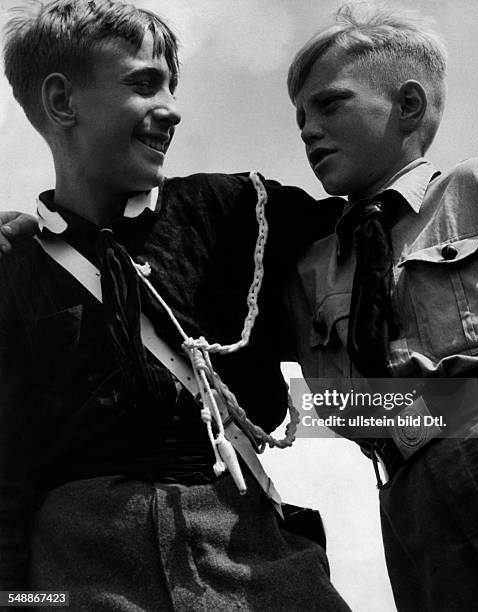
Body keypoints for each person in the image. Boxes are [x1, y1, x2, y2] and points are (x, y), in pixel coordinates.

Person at [0, 1, 352, 610]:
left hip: (259, 567)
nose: (172, 109)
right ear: (61, 103)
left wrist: (442, 429)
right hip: (83, 577)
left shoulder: (239, 210)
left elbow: (390, 281)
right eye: (143, 85)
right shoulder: (14, 270)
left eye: (172, 86)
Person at [283, 3, 478, 611]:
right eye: (299, 119)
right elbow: (328, 403)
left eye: (329, 104)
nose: (307, 130)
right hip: (405, 494)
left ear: (408, 105)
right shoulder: (307, 269)